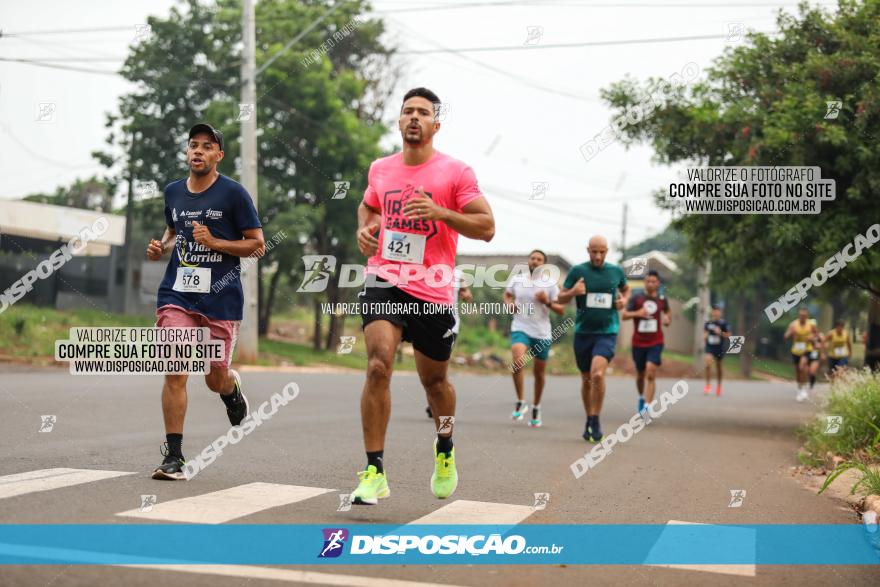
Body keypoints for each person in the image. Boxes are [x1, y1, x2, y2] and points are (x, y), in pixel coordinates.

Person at [352, 87, 495, 504]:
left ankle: (445, 447)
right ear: (399, 122)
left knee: (435, 383)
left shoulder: (455, 173)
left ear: (436, 124)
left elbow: (486, 227)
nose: (414, 117)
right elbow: (369, 206)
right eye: (407, 111)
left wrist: (443, 213)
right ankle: (374, 470)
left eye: (423, 112)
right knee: (379, 364)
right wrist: (366, 228)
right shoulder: (380, 168)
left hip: (432, 287)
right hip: (384, 278)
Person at [146, 123, 265, 480]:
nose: (197, 151)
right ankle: (175, 456)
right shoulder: (173, 193)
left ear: (219, 155)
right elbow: (172, 231)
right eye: (193, 145)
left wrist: (216, 244)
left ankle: (231, 388)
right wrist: (161, 247)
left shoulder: (233, 194)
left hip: (220, 299)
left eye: (206, 146)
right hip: (177, 294)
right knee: (175, 369)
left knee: (214, 378)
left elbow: (257, 243)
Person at [558, 236, 630, 442]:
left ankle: (596, 419)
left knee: (597, 374)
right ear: (588, 250)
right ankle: (589, 418)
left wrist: (624, 300)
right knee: (587, 379)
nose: (598, 256)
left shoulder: (615, 271)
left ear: (607, 251)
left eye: (602, 252)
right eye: (594, 252)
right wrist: (574, 291)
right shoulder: (577, 271)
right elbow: (560, 298)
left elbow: (626, 289)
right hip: (583, 332)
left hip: (607, 332)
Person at [503, 249, 563, 427]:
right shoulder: (517, 280)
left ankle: (536, 406)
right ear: (528, 261)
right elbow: (507, 295)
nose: (535, 261)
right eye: (532, 258)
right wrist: (509, 304)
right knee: (517, 359)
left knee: (539, 373)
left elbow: (561, 310)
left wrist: (547, 301)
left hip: (542, 332)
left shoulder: (550, 285)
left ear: (544, 264)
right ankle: (520, 401)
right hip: (520, 327)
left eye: (539, 259)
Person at [621, 270, 671, 416]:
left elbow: (668, 312)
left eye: (653, 281)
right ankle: (641, 397)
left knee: (650, 372)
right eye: (648, 281)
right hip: (638, 342)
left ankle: (648, 407)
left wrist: (668, 319)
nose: (650, 284)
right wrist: (638, 313)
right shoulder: (637, 298)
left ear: (658, 283)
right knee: (640, 375)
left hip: (656, 341)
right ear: (645, 282)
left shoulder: (662, 299)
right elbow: (624, 315)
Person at [426, 267, 472, 419]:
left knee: (441, 364)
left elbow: (467, 293)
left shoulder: (458, 273)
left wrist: (466, 295)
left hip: (451, 325)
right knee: (429, 365)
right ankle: (433, 401)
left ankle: (435, 402)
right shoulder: (427, 268)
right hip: (427, 321)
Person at [784, 307, 821, 402]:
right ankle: (800, 389)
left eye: (804, 316)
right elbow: (785, 336)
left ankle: (804, 389)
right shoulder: (793, 324)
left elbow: (817, 335)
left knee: (802, 367)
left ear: (807, 316)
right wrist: (790, 333)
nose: (802, 317)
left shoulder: (811, 325)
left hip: (807, 349)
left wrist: (812, 338)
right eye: (801, 315)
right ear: (798, 316)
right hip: (796, 350)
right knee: (798, 371)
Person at [703, 306, 732, 396]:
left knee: (719, 367)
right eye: (714, 311)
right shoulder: (708, 323)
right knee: (707, 362)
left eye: (717, 311)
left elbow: (729, 335)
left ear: (720, 313)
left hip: (719, 348)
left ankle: (719, 386)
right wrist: (705, 336)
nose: (716, 313)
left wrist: (721, 333)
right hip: (710, 347)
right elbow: (704, 334)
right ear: (712, 313)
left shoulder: (723, 323)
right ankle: (708, 385)